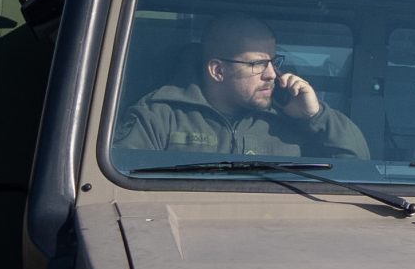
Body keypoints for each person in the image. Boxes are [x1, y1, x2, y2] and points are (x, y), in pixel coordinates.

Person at [116, 17, 371, 161]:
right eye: (257, 64)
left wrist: (316, 117)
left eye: (273, 62)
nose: (272, 74)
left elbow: (358, 163)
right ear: (217, 70)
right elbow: (124, 186)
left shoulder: (293, 119)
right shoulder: (160, 117)